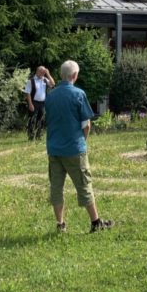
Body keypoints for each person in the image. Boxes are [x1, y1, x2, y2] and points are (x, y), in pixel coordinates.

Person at [45, 60, 113, 233]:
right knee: (84, 185)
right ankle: (95, 222)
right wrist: (82, 141)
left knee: (56, 187)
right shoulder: (78, 94)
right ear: (74, 75)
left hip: (54, 149)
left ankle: (60, 224)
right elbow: (86, 125)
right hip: (74, 149)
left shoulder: (51, 96)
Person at [24, 66, 55, 140]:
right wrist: (30, 104)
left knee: (40, 119)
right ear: (37, 71)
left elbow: (53, 84)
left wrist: (48, 74)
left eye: (44, 72)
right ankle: (31, 136)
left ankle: (39, 135)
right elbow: (27, 93)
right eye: (41, 72)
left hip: (42, 103)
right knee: (32, 119)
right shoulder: (31, 81)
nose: (42, 73)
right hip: (33, 102)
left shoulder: (45, 80)